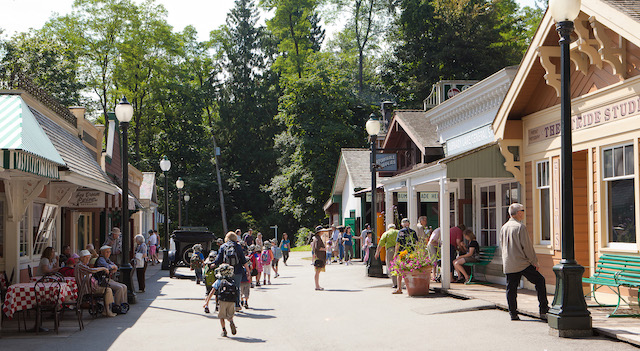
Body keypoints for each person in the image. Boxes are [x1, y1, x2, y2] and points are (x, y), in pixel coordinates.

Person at [501, 203, 549, 321]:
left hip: (509, 262)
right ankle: (543, 309)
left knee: (511, 288)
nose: (524, 212)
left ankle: (513, 313)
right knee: (540, 280)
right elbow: (527, 247)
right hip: (522, 262)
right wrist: (534, 262)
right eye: (523, 210)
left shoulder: (504, 227)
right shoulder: (520, 227)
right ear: (518, 213)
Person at [213, 232, 251, 311]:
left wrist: (212, 265)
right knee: (236, 288)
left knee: (224, 287)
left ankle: (224, 304)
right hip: (237, 271)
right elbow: (243, 260)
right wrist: (248, 271)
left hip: (226, 271)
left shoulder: (223, 246)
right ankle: (236, 305)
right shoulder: (238, 247)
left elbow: (218, 260)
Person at [76, 250, 117, 317]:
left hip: (88, 288)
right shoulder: (80, 266)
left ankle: (106, 310)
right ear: (82, 258)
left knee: (106, 288)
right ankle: (107, 311)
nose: (88, 259)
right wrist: (103, 268)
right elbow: (91, 270)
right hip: (86, 290)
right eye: (86, 258)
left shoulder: (81, 265)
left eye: (89, 257)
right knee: (108, 290)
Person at [211, 264, 239, 337]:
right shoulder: (232, 281)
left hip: (222, 300)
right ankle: (231, 321)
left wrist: (206, 302)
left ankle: (224, 330)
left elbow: (212, 291)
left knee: (222, 316)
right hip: (231, 300)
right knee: (230, 315)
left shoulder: (219, 281)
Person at [393, 218, 419, 295]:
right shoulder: (413, 232)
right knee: (412, 270)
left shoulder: (401, 232)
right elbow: (416, 243)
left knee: (400, 270)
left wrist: (395, 253)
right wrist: (417, 253)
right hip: (411, 253)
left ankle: (399, 288)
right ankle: (413, 287)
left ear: (402, 224)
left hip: (403, 253)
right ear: (409, 224)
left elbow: (398, 243)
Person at [375, 224, 399, 289]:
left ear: (388, 228)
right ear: (395, 227)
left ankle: (395, 283)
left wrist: (377, 252)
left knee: (391, 266)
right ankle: (401, 282)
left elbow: (381, 243)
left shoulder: (386, 233)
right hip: (399, 250)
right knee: (399, 266)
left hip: (390, 250)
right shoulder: (398, 232)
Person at [311, 225, 326, 291]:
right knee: (317, 271)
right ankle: (317, 286)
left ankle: (318, 285)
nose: (322, 232)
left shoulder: (317, 238)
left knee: (318, 271)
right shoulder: (317, 239)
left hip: (319, 257)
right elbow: (317, 248)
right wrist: (324, 249)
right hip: (318, 257)